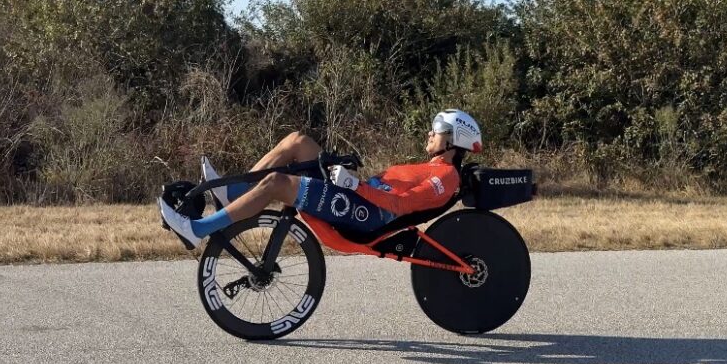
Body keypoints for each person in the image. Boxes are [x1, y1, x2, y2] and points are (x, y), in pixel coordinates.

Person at [158, 110, 483, 248]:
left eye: (438, 129)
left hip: (365, 214)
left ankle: (197, 230)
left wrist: (354, 185)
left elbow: (401, 205)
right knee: (297, 141)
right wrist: (353, 181)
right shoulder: (432, 167)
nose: (430, 133)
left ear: (455, 140)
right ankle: (235, 193)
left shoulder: (445, 177)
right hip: (358, 196)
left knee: (276, 183)